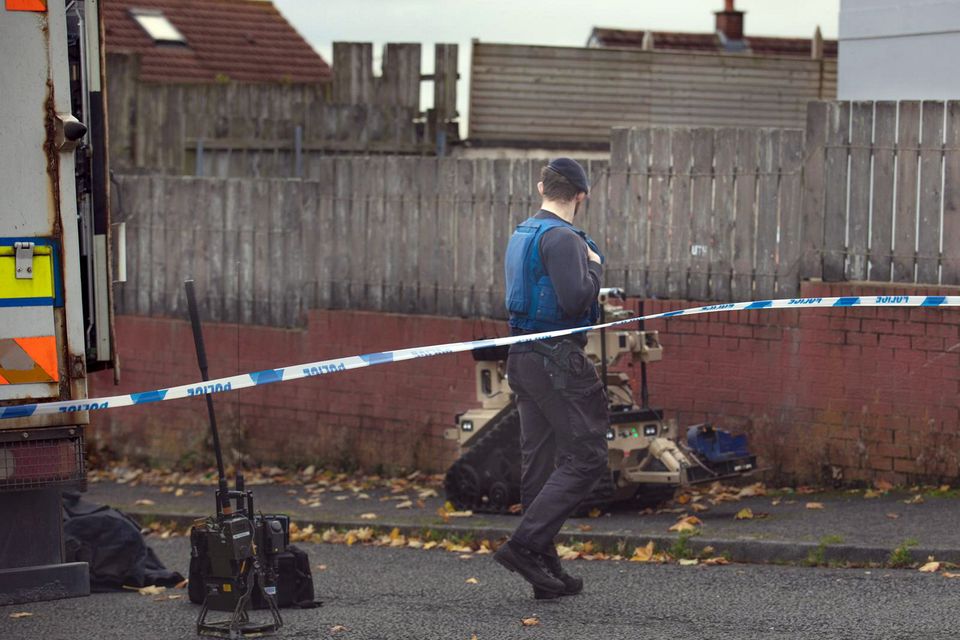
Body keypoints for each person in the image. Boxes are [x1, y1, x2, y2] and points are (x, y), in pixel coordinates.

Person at [492, 157, 608, 599]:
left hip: (521, 357)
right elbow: (577, 299)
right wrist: (595, 266)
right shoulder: (563, 238)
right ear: (581, 195)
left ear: (542, 186)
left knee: (538, 462)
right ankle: (525, 546)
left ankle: (542, 564)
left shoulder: (523, 233)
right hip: (556, 362)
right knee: (588, 456)